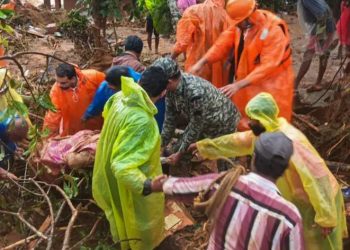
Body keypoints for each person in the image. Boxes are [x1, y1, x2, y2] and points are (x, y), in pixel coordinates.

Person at [188, 92, 348, 249]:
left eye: (254, 119)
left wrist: (326, 216)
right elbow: (235, 142)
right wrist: (203, 146)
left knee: (319, 245)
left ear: (265, 118)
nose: (250, 123)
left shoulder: (292, 141)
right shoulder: (264, 134)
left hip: (319, 201)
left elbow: (317, 178)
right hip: (299, 202)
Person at [152, 132, 304, 249]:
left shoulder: (224, 184)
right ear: (285, 170)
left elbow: (180, 187)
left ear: (254, 157)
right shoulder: (289, 217)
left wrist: (153, 185)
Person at [92, 67, 168, 250]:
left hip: (107, 172)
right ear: (164, 92)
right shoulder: (143, 121)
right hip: (133, 186)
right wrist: (149, 185)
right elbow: (122, 166)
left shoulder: (120, 98)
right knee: (140, 224)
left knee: (119, 215)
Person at [190, 0, 294, 131]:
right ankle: (245, 143)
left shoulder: (274, 30)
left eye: (238, 22)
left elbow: (268, 66)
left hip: (273, 84)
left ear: (248, 17)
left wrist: (238, 85)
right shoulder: (242, 26)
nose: (236, 25)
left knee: (271, 122)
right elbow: (223, 42)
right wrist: (203, 61)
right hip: (246, 81)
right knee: (244, 117)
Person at [152, 57, 240, 167]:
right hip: (203, 122)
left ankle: (227, 182)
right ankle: (182, 180)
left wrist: (180, 154)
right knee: (178, 152)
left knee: (225, 164)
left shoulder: (195, 93)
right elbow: (170, 120)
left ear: (169, 81)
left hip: (224, 122)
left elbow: (195, 128)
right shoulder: (171, 90)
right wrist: (161, 145)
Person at [83, 66, 166, 131]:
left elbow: (158, 116)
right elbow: (97, 103)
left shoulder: (145, 86)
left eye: (111, 85)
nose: (109, 86)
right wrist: (87, 115)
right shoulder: (106, 86)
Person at [171, 0, 231, 88]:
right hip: (221, 69)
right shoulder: (226, 15)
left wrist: (171, 57)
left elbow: (182, 43)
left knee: (198, 94)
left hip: (198, 65)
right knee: (217, 94)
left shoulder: (192, 11)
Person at [43, 64, 105, 137]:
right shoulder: (56, 91)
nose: (59, 85)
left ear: (73, 79)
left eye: (63, 83)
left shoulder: (94, 77)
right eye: (57, 81)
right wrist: (47, 137)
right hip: (73, 131)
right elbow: (52, 117)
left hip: (98, 124)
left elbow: (110, 87)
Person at [295, 0, 337, 91]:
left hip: (322, 27)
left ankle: (295, 86)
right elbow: (326, 10)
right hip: (328, 26)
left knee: (308, 54)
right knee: (324, 54)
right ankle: (318, 83)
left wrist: (319, 36)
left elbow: (322, 14)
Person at [0, 116, 28, 180]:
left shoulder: (11, 120)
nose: (20, 140)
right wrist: (3, 173)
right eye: (19, 138)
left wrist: (14, 149)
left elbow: (8, 141)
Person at [337, 0, 350, 74]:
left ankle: (345, 72)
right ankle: (345, 72)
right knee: (347, 54)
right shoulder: (346, 5)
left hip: (345, 32)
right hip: (345, 32)